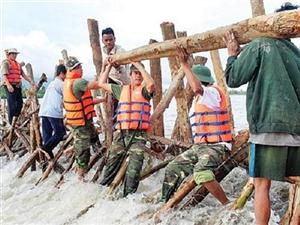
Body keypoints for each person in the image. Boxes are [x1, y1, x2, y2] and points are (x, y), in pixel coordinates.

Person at [223, 3, 300, 225]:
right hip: (296, 129)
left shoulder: (259, 45)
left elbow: (233, 79)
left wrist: (231, 55)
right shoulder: (297, 55)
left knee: (261, 184)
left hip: (267, 127)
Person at [160, 46, 232, 205]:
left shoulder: (212, 92)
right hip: (200, 147)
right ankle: (164, 204)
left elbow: (197, 88)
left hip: (217, 147)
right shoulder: (200, 100)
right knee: (172, 168)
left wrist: (185, 65)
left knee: (201, 173)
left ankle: (227, 204)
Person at [99, 60, 155, 197]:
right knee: (111, 164)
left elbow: (151, 84)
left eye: (140, 73)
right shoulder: (122, 89)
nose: (138, 76)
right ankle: (103, 193)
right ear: (130, 75)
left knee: (134, 170)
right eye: (135, 73)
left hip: (138, 136)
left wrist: (140, 66)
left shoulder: (145, 90)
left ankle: (128, 198)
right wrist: (109, 66)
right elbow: (101, 83)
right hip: (122, 134)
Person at [63, 56, 106, 180]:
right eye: (79, 67)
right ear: (74, 69)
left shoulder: (69, 81)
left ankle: (100, 159)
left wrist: (103, 99)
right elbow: (99, 84)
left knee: (94, 138)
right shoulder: (78, 82)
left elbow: (87, 101)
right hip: (80, 123)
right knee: (83, 150)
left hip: (82, 120)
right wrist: (106, 68)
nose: (82, 69)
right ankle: (80, 177)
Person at [39, 64, 67, 161]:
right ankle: (44, 149)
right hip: (53, 112)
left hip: (44, 111)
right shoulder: (61, 84)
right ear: (62, 74)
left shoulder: (51, 84)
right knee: (60, 133)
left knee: (47, 137)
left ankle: (48, 160)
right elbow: (67, 99)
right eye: (65, 74)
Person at [1, 48, 35, 124]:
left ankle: (15, 119)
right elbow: (4, 75)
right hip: (10, 85)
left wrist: (31, 81)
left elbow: (23, 74)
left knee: (20, 103)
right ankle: (11, 123)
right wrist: (9, 85)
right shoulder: (6, 63)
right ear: (9, 54)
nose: (15, 55)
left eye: (15, 54)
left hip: (17, 86)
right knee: (12, 105)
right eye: (13, 54)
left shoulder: (17, 64)